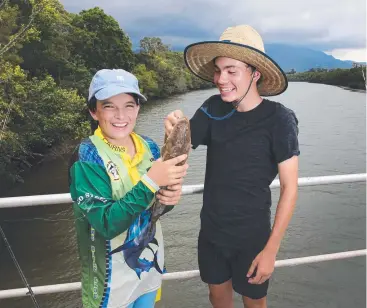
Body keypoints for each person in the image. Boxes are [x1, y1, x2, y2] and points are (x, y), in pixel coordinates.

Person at [165, 25, 300, 308]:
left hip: (252, 238)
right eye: (218, 70)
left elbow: (289, 188)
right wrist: (173, 128)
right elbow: (179, 149)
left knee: (254, 302)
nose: (220, 78)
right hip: (212, 232)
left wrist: (271, 250)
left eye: (231, 70)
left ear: (255, 73)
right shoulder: (213, 108)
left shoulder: (280, 119)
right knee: (217, 297)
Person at [68, 68, 188, 308]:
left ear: (138, 109)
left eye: (129, 105)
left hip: (147, 264)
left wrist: (169, 198)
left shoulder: (150, 147)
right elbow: (105, 224)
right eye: (109, 106)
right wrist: (151, 181)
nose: (120, 115)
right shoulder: (87, 157)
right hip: (109, 280)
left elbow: (155, 208)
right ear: (94, 111)